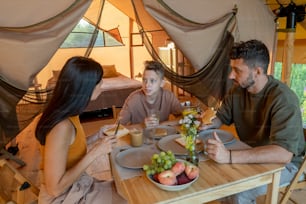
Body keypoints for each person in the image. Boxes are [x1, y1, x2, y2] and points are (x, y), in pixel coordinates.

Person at [201, 40, 305, 203]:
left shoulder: (283, 98)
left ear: (257, 71)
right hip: (250, 152)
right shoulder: (238, 90)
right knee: (220, 180)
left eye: (237, 70)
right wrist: (209, 123)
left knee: (238, 191)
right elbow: (222, 116)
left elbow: (283, 154)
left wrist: (228, 156)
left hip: (288, 164)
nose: (231, 75)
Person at [35, 56, 126, 204]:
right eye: (99, 81)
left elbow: (70, 147)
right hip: (63, 197)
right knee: (130, 196)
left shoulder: (70, 114)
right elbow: (55, 189)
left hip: (77, 185)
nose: (102, 84)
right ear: (86, 87)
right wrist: (95, 152)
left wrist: (96, 136)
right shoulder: (61, 127)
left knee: (125, 188)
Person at [119, 60, 183, 125]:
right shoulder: (133, 99)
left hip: (161, 134)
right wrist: (142, 125)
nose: (147, 85)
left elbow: (183, 118)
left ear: (162, 83)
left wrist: (161, 124)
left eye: (152, 81)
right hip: (140, 135)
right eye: (144, 80)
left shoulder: (168, 97)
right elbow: (118, 126)